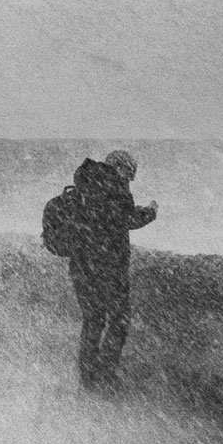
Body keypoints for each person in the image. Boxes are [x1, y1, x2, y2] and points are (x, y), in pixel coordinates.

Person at [40, 149, 157, 389]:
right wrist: (151, 213)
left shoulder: (84, 185)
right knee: (120, 321)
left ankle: (88, 377)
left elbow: (101, 218)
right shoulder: (114, 186)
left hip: (82, 266)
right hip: (109, 267)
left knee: (93, 320)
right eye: (128, 174)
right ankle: (105, 375)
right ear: (121, 168)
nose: (128, 180)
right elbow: (124, 219)